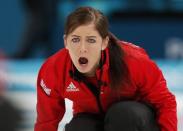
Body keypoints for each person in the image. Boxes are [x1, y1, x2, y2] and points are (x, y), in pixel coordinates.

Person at [34, 7, 177, 131]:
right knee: (79, 127)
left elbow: (165, 103)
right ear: (65, 42)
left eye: (91, 40)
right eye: (75, 40)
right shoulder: (52, 70)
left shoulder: (134, 61)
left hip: (135, 121)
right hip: (93, 120)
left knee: (122, 115)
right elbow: (46, 122)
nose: (82, 49)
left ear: (104, 42)